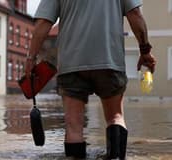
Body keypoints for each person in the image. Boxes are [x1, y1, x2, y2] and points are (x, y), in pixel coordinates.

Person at [25, 0, 156, 159]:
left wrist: (31, 58)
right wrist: (145, 51)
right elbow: (135, 14)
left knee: (74, 125)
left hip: (72, 63)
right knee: (115, 116)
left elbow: (43, 22)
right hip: (109, 60)